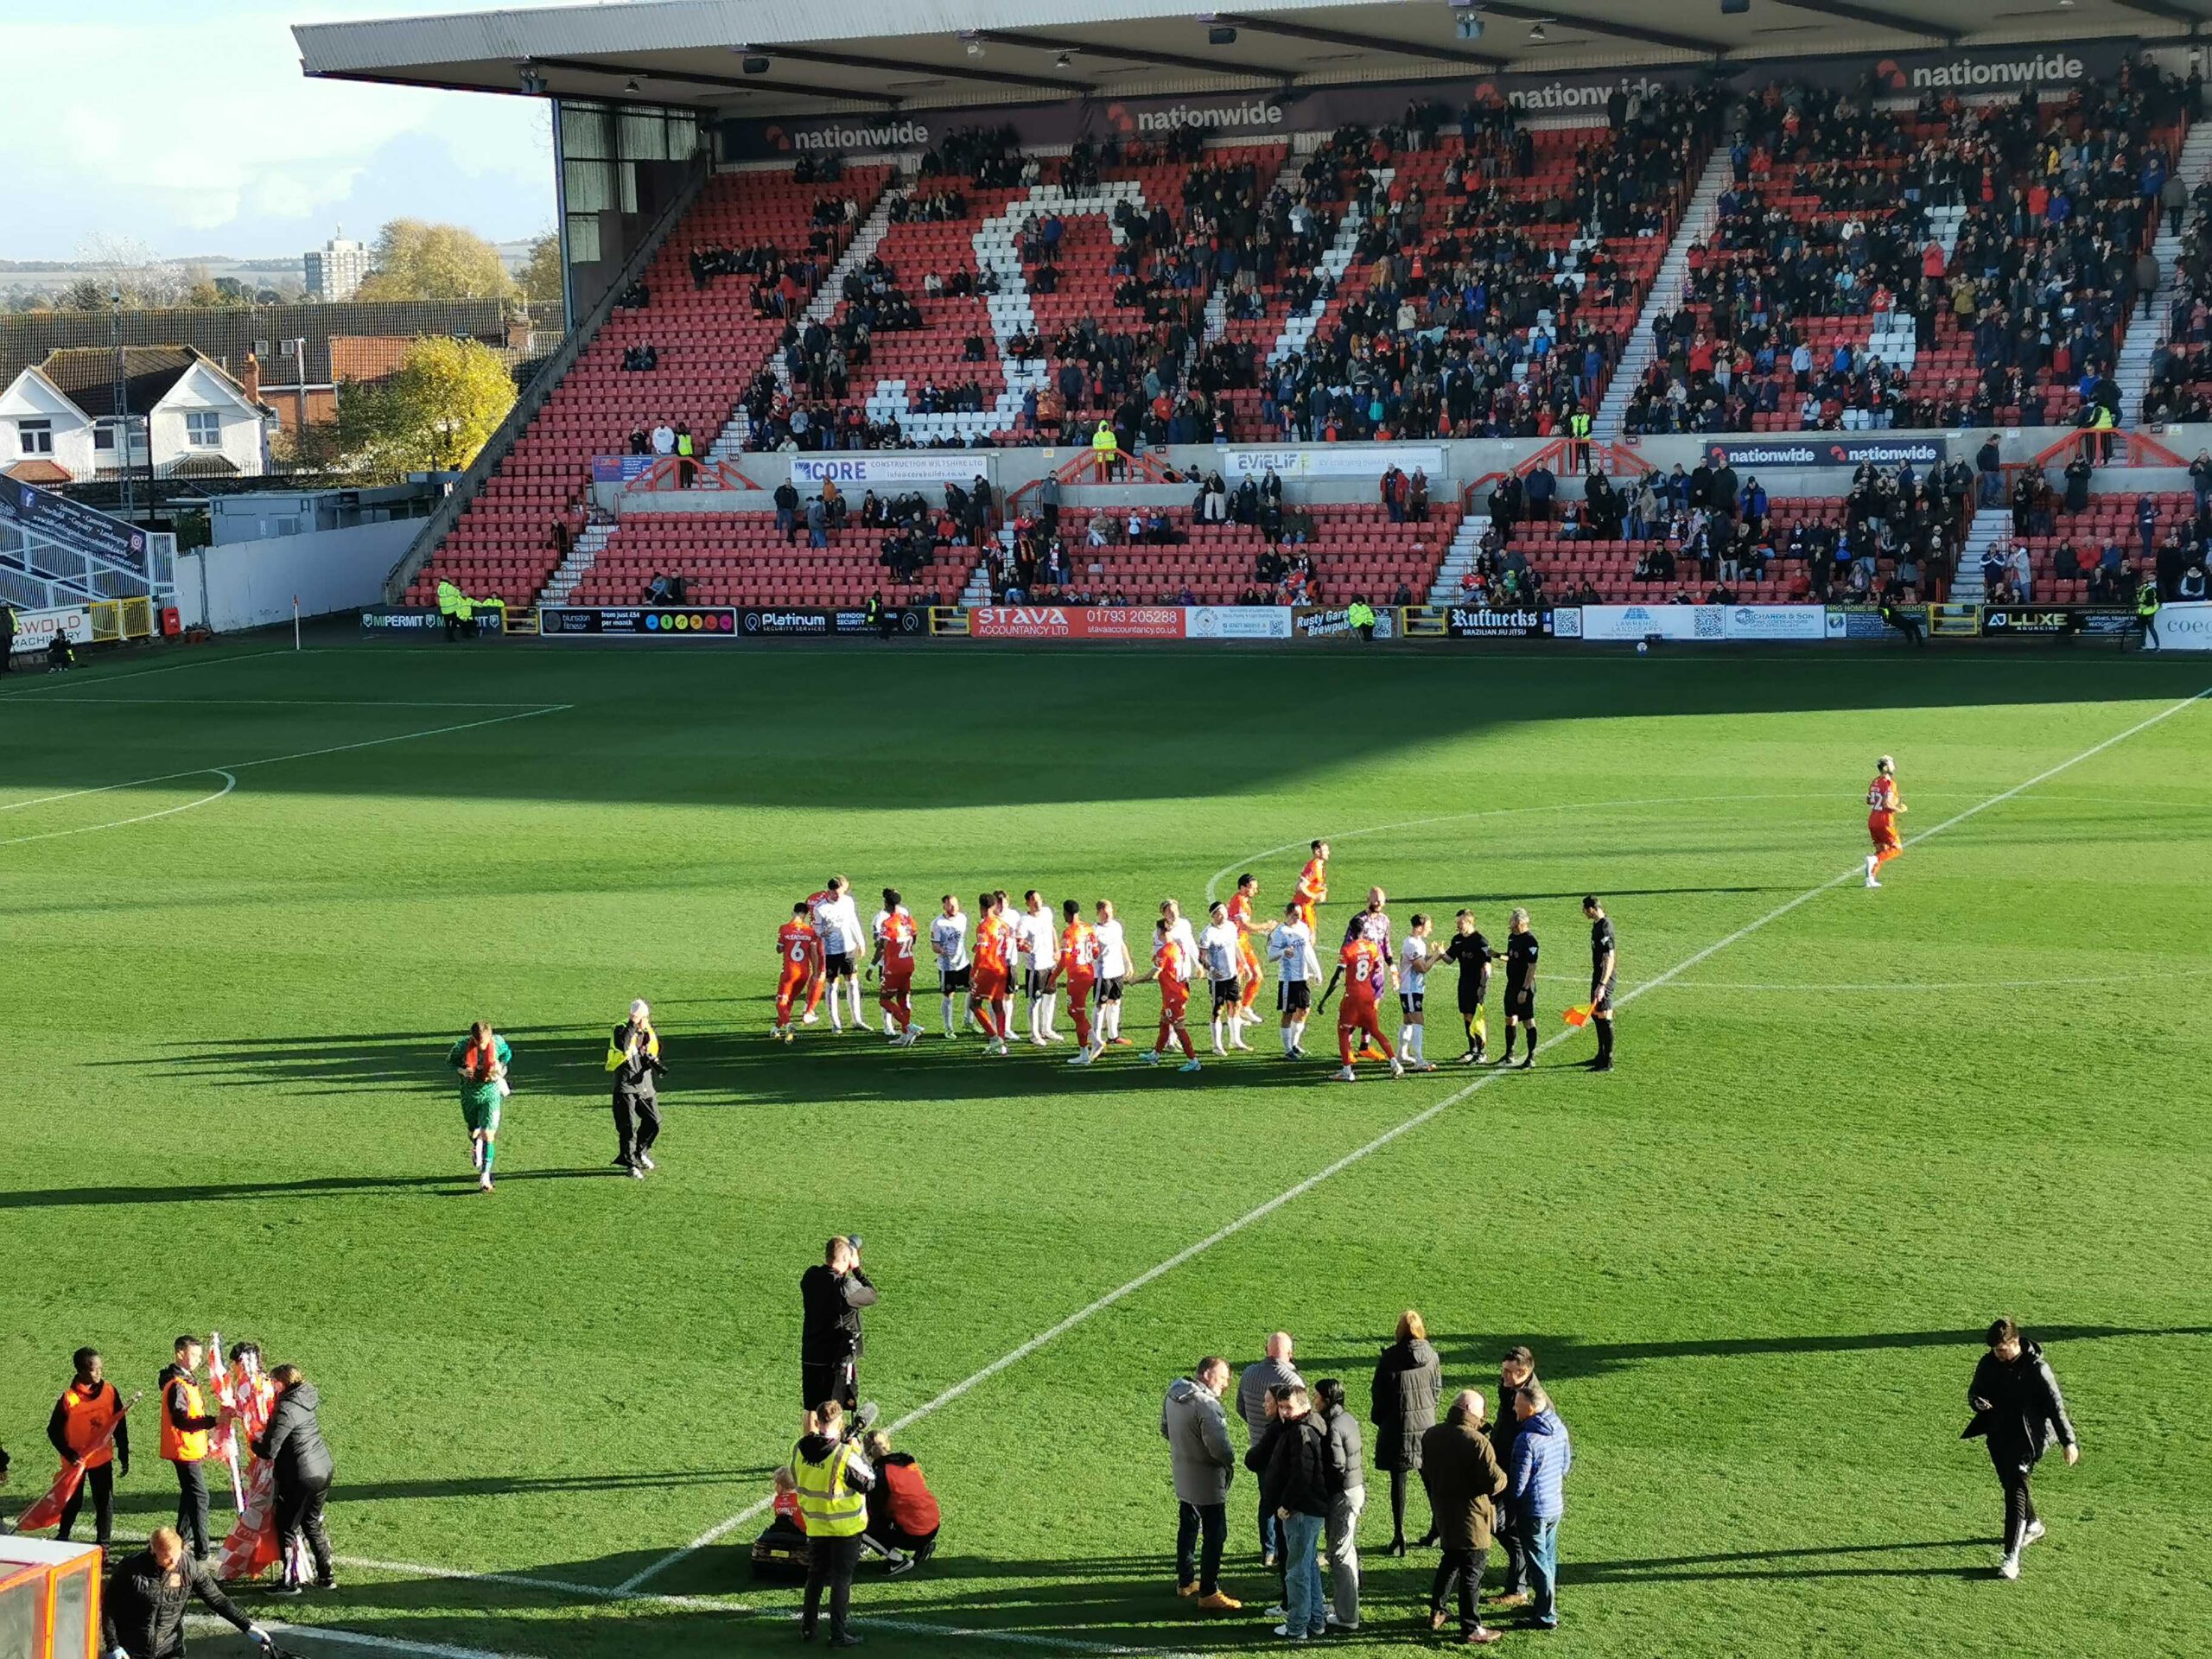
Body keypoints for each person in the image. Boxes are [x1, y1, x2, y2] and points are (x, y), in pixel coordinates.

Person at [1965, 1319, 2079, 1580]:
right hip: (1998, 1433)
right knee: (2011, 1485)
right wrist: (1977, 1402)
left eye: (2002, 1350)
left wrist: (2068, 1442)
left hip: (2030, 1437)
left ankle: (2011, 1558)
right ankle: (2034, 1524)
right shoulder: (1988, 1363)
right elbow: (1975, 1391)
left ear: (2015, 1343)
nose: (1998, 1354)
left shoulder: (2038, 1369)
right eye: (1995, 1350)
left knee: (2015, 1490)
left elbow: (2056, 1407)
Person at [1420, 1389, 1508, 1646]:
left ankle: (1438, 1610)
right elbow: (1494, 1483)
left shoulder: (1432, 1434)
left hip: (1444, 1512)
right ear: (1472, 1412)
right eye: (1482, 1412)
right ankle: (1471, 1627)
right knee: (1472, 1571)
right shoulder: (1478, 1442)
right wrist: (1505, 1477)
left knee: (1450, 1561)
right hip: (1472, 1518)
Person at [102, 1526, 269, 1659]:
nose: (174, 1562)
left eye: (177, 1556)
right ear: (153, 1551)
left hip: (170, 1649)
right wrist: (113, 1646)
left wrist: (247, 1626)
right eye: (168, 1558)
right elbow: (109, 1606)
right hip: (133, 1650)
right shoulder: (130, 1569)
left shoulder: (189, 1567)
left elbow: (217, 1600)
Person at [1161, 1357, 1242, 1611]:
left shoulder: (1174, 1394)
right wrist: (1231, 1460)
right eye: (1223, 1377)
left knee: (1188, 1526)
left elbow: (1165, 1429)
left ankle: (1185, 1581)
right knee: (1215, 1535)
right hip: (1207, 1480)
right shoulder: (1207, 1406)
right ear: (1206, 1375)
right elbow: (1220, 1448)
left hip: (1183, 1472)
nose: (1227, 1383)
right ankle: (1209, 1592)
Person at [792, 1402, 874, 1649]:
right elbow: (868, 1482)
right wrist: (857, 1452)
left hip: (815, 1524)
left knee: (815, 1576)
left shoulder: (799, 1448)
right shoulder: (844, 1454)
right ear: (839, 1423)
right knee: (841, 1580)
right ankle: (838, 1634)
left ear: (817, 1422)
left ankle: (808, 1627)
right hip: (844, 1528)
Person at [1255, 1386, 1330, 1642]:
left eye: (1289, 1407)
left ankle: (1298, 1626)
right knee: (1308, 1565)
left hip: (1301, 1510)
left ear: (1303, 1406)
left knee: (1297, 1570)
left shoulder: (1300, 1432)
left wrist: (1286, 1504)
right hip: (1309, 1508)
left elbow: (1302, 1474)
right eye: (1282, 1407)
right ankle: (1316, 1620)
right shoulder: (1306, 1426)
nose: (1284, 1412)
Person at [256, 1363, 334, 1593]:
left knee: (286, 1526)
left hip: (302, 1475)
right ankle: (326, 1575)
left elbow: (270, 1450)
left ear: (283, 1382)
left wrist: (254, 1445)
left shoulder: (287, 1408)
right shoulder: (305, 1399)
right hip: (323, 1468)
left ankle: (290, 1581)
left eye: (273, 1382)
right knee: (312, 1523)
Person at [1370, 1311, 1442, 1555]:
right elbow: (1437, 1390)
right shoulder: (1431, 1355)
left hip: (1396, 1427)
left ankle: (1399, 1536)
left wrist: (1379, 1419)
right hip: (1426, 1427)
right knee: (1430, 1480)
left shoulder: (1389, 1358)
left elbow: (1378, 1395)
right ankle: (1437, 1528)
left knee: (1398, 1483)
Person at [1507, 1384, 1572, 1630]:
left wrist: (1511, 1507)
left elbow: (1518, 1485)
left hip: (1533, 1510)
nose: (1514, 1408)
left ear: (1531, 1408)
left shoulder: (1526, 1440)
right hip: (1555, 1505)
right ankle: (1546, 1605)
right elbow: (1565, 1466)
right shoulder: (1559, 1429)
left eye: (1518, 1405)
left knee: (1537, 1561)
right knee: (1548, 1558)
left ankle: (1546, 1614)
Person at [49, 1345, 129, 1547]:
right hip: (76, 1461)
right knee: (72, 1502)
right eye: (94, 1369)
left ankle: (104, 1546)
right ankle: (63, 1538)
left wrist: (123, 1451)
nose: (100, 1373)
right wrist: (69, 1453)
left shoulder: (110, 1391)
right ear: (81, 1371)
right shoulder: (68, 1399)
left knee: (104, 1503)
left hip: (101, 1458)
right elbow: (53, 1431)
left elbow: (119, 1422)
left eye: (101, 1368)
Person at [1236, 1333, 1303, 1567]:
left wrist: (1257, 1427)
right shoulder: (1290, 1378)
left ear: (1267, 1350)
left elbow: (1240, 1408)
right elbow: (1300, 1417)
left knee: (1266, 1500)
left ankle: (1268, 1550)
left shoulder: (1248, 1373)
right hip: (1283, 1453)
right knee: (1284, 1503)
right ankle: (1285, 1550)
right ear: (1290, 1353)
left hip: (1258, 1447)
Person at [157, 1336, 220, 1559]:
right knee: (200, 1496)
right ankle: (202, 1552)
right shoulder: (178, 1385)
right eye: (194, 1355)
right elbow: (182, 1421)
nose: (197, 1360)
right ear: (180, 1354)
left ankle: (181, 1539)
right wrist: (213, 1422)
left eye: (199, 1356)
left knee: (190, 1495)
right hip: (183, 1450)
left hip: (188, 1448)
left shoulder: (184, 1380)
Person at [799, 1236, 877, 1411]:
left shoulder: (810, 1276)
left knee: (812, 1411)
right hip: (836, 1360)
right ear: (847, 1259)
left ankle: (809, 1439)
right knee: (835, 1411)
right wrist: (856, 1269)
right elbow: (871, 1295)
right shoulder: (846, 1287)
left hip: (811, 1354)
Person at [1488, 1347, 1539, 1610]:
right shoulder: (1509, 1388)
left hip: (1516, 1476)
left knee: (1503, 1525)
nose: (1504, 1376)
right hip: (1502, 1468)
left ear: (1525, 1372)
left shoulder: (1533, 1400)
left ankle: (1518, 1588)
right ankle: (1523, 1575)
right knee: (1500, 1525)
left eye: (1510, 1371)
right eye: (1503, 1369)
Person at [1314, 1378, 1365, 1633]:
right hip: (1354, 1489)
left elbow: (1336, 1466)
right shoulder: (1347, 1418)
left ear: (1326, 1399)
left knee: (1340, 1555)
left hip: (1343, 1494)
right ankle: (1345, 1607)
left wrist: (1325, 1492)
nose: (1314, 1402)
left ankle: (1347, 1616)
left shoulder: (1333, 1426)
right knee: (1346, 1552)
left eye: (1317, 1397)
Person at [1320, 926, 1402, 1083]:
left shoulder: (1347, 950)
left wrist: (1324, 999)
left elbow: (1337, 977)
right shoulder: (1372, 947)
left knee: (1343, 1031)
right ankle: (1395, 1062)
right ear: (1363, 932)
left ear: (1351, 932)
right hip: (1368, 994)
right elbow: (1378, 967)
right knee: (1375, 1031)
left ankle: (1347, 1070)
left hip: (1352, 996)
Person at [860, 1430, 938, 1571]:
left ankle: (897, 1561)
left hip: (916, 1533)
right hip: (933, 1523)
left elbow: (875, 1512)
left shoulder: (880, 1475)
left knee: (860, 1525)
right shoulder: (907, 1459)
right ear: (888, 1445)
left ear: (868, 1453)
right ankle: (923, 1545)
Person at [447, 1020, 511, 1192]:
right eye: (477, 1042)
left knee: (488, 1134)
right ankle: (476, 1145)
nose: (481, 1046)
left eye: (483, 1042)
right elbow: (450, 1061)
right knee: (473, 1130)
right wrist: (462, 1071)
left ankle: (485, 1177)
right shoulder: (462, 1047)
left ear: (490, 1036)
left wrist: (499, 1067)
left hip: (490, 1092)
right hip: (469, 1094)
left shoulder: (498, 1043)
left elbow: (507, 1055)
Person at [607, 999, 664, 1177]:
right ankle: (631, 1164)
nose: (645, 1020)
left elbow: (656, 1048)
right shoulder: (621, 1028)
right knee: (628, 1127)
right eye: (641, 1016)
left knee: (654, 1121)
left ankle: (640, 1152)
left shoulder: (648, 1030)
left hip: (645, 1083)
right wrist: (633, 1023)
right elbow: (622, 1045)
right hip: (625, 1083)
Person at [1139, 913, 1202, 1072]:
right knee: (1164, 1022)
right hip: (1178, 990)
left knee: (1179, 1028)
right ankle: (1156, 1054)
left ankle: (1193, 1060)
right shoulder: (1177, 947)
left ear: (1160, 932)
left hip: (1174, 994)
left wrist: (1134, 980)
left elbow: (1153, 974)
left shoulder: (1164, 951)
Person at [1266, 901, 1319, 1058]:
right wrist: (1283, 951)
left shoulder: (1303, 928)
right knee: (1288, 1013)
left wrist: (1317, 970)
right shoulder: (1280, 933)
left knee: (1304, 1010)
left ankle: (1295, 1044)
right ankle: (1287, 1049)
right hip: (1288, 979)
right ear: (1287, 914)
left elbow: (1308, 950)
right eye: (1295, 915)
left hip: (1302, 977)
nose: (1298, 918)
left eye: (1299, 915)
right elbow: (1270, 956)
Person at [1443, 910, 1497, 1065]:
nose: (1458, 926)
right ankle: (1472, 1049)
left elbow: (1487, 964)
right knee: (1467, 1015)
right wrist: (1440, 954)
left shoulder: (1481, 941)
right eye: (1457, 923)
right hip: (1464, 983)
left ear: (1470, 922)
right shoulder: (1457, 940)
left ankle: (1482, 1052)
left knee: (1476, 1018)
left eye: (1461, 923)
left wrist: (1484, 985)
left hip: (1477, 985)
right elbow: (1449, 959)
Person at [871, 889, 921, 1046]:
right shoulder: (908, 920)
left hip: (894, 967)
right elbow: (914, 939)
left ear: (887, 904)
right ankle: (905, 1036)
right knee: (903, 999)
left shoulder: (887, 923)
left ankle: (909, 1026)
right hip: (908, 964)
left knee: (884, 1000)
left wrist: (872, 965)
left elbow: (881, 947)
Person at [1198, 900, 1249, 1056]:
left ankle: (1235, 1040)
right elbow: (1202, 958)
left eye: (1225, 912)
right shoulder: (1207, 933)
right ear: (1214, 915)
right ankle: (1217, 1045)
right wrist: (1212, 969)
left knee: (1236, 1005)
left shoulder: (1231, 927)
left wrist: (1245, 964)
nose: (1224, 916)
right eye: (1220, 913)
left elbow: (1236, 946)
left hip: (1232, 975)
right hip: (1217, 979)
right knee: (1218, 1010)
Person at [972, 892, 1017, 1056]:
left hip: (988, 970)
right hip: (1002, 968)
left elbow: (981, 954)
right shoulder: (1003, 925)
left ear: (982, 907)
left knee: (974, 1004)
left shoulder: (984, 926)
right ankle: (1002, 1042)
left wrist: (973, 973)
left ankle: (994, 1038)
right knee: (998, 1005)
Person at [1058, 899, 1101, 1065]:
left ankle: (1085, 1053)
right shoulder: (1089, 928)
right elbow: (1096, 952)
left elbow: (1063, 961)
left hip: (1077, 976)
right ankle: (1095, 1042)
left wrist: (1052, 980)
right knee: (1075, 1012)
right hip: (1089, 973)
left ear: (1067, 913)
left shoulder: (1069, 932)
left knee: (1076, 1013)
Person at [774, 902, 823, 1042]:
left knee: (781, 1001)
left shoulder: (785, 928)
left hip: (789, 972)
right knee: (789, 1000)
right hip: (804, 973)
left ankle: (788, 1025)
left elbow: (779, 949)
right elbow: (813, 953)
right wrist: (815, 972)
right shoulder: (810, 931)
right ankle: (777, 1028)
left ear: (793, 912)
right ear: (806, 915)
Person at [1396, 913, 1439, 1071]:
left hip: (1412, 989)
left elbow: (1422, 960)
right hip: (1410, 989)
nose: (1430, 929)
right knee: (1418, 1022)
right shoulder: (1412, 944)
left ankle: (1402, 1054)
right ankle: (1419, 1059)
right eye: (1428, 926)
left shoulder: (1417, 942)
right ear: (1420, 927)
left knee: (1408, 1020)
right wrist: (1437, 956)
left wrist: (1436, 956)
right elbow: (1422, 967)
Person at [1497, 909, 1538, 1069]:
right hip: (1511, 985)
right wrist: (1497, 955)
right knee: (1510, 1018)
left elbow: (1531, 967)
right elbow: (1510, 956)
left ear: (1521, 923)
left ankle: (1531, 1057)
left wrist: (1525, 989)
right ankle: (1510, 1054)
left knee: (1528, 1021)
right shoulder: (1512, 937)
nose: (1510, 925)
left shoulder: (1531, 942)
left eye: (1512, 923)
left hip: (1524, 987)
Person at [930, 893, 973, 1041]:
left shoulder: (963, 918)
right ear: (944, 906)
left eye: (955, 904)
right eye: (950, 905)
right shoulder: (937, 924)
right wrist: (942, 951)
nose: (953, 907)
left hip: (964, 963)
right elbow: (934, 945)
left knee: (972, 989)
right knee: (949, 996)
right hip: (947, 967)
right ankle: (949, 1028)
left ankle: (969, 1020)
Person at [1092, 899, 1134, 1049]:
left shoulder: (1116, 926)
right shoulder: (1094, 931)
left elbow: (1121, 943)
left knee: (1115, 1003)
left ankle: (1113, 1036)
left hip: (1117, 971)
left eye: (1109, 911)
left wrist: (1128, 962)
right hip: (1103, 974)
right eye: (1104, 913)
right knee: (1100, 1005)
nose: (1107, 915)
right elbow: (1091, 953)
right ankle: (1096, 1039)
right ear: (1098, 913)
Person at [1581, 897, 1617, 1071]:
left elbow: (1609, 957)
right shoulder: (1597, 926)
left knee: (1604, 1015)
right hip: (1598, 975)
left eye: (1585, 909)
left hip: (1605, 977)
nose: (1583, 912)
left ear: (1592, 909)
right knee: (1596, 1014)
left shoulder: (1604, 928)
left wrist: (1602, 984)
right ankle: (1601, 1054)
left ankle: (1608, 1061)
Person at [1864, 754, 1906, 889]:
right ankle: (1873, 860)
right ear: (1886, 767)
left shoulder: (1875, 782)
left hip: (1873, 820)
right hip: (1885, 821)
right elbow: (1887, 803)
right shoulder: (1889, 783)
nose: (1894, 766)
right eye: (1892, 764)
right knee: (1897, 849)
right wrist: (1898, 809)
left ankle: (1870, 879)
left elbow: (1869, 800)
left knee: (1881, 850)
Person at [1294, 840, 1329, 932]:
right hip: (1303, 907)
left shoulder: (1319, 865)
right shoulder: (1313, 867)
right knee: (1309, 937)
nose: (1328, 852)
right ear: (1317, 851)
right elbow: (1300, 886)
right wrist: (1315, 896)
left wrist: (1322, 891)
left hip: (1308, 906)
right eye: (1325, 850)